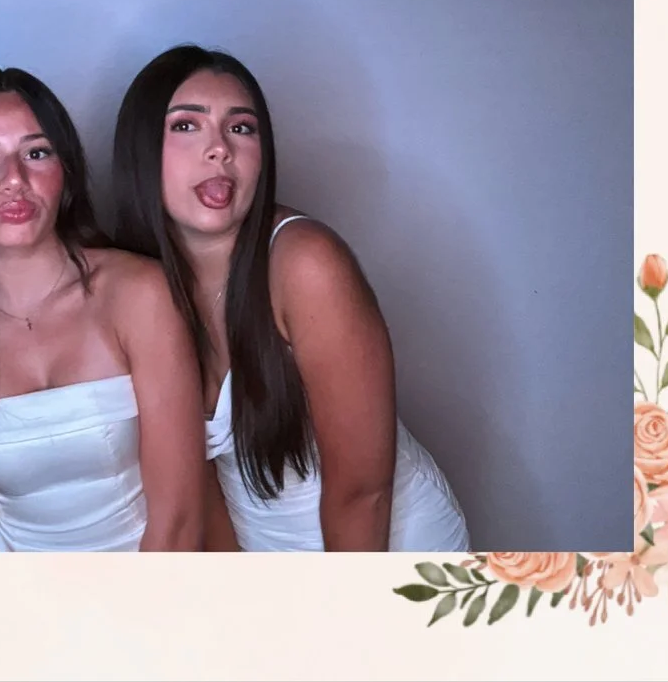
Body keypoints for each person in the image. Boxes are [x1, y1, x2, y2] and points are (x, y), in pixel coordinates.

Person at [101, 45, 470, 550]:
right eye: (187, 126)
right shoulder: (139, 286)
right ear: (140, 149)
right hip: (267, 557)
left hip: (381, 547)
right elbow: (197, 485)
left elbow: (362, 493)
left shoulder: (306, 263)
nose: (220, 149)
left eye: (241, 128)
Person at [0, 69, 201, 550]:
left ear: (66, 172)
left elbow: (179, 520)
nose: (14, 179)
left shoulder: (139, 294)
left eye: (36, 153)